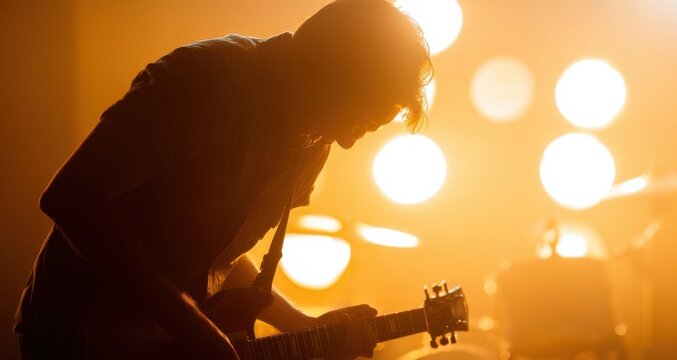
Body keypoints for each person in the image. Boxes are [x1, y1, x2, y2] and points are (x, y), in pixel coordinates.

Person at [14, 0, 433, 358]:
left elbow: (217, 257)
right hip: (78, 333)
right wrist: (188, 321)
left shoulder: (313, 137)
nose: (345, 140)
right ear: (328, 72)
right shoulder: (206, 81)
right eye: (357, 117)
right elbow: (71, 195)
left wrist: (299, 323)